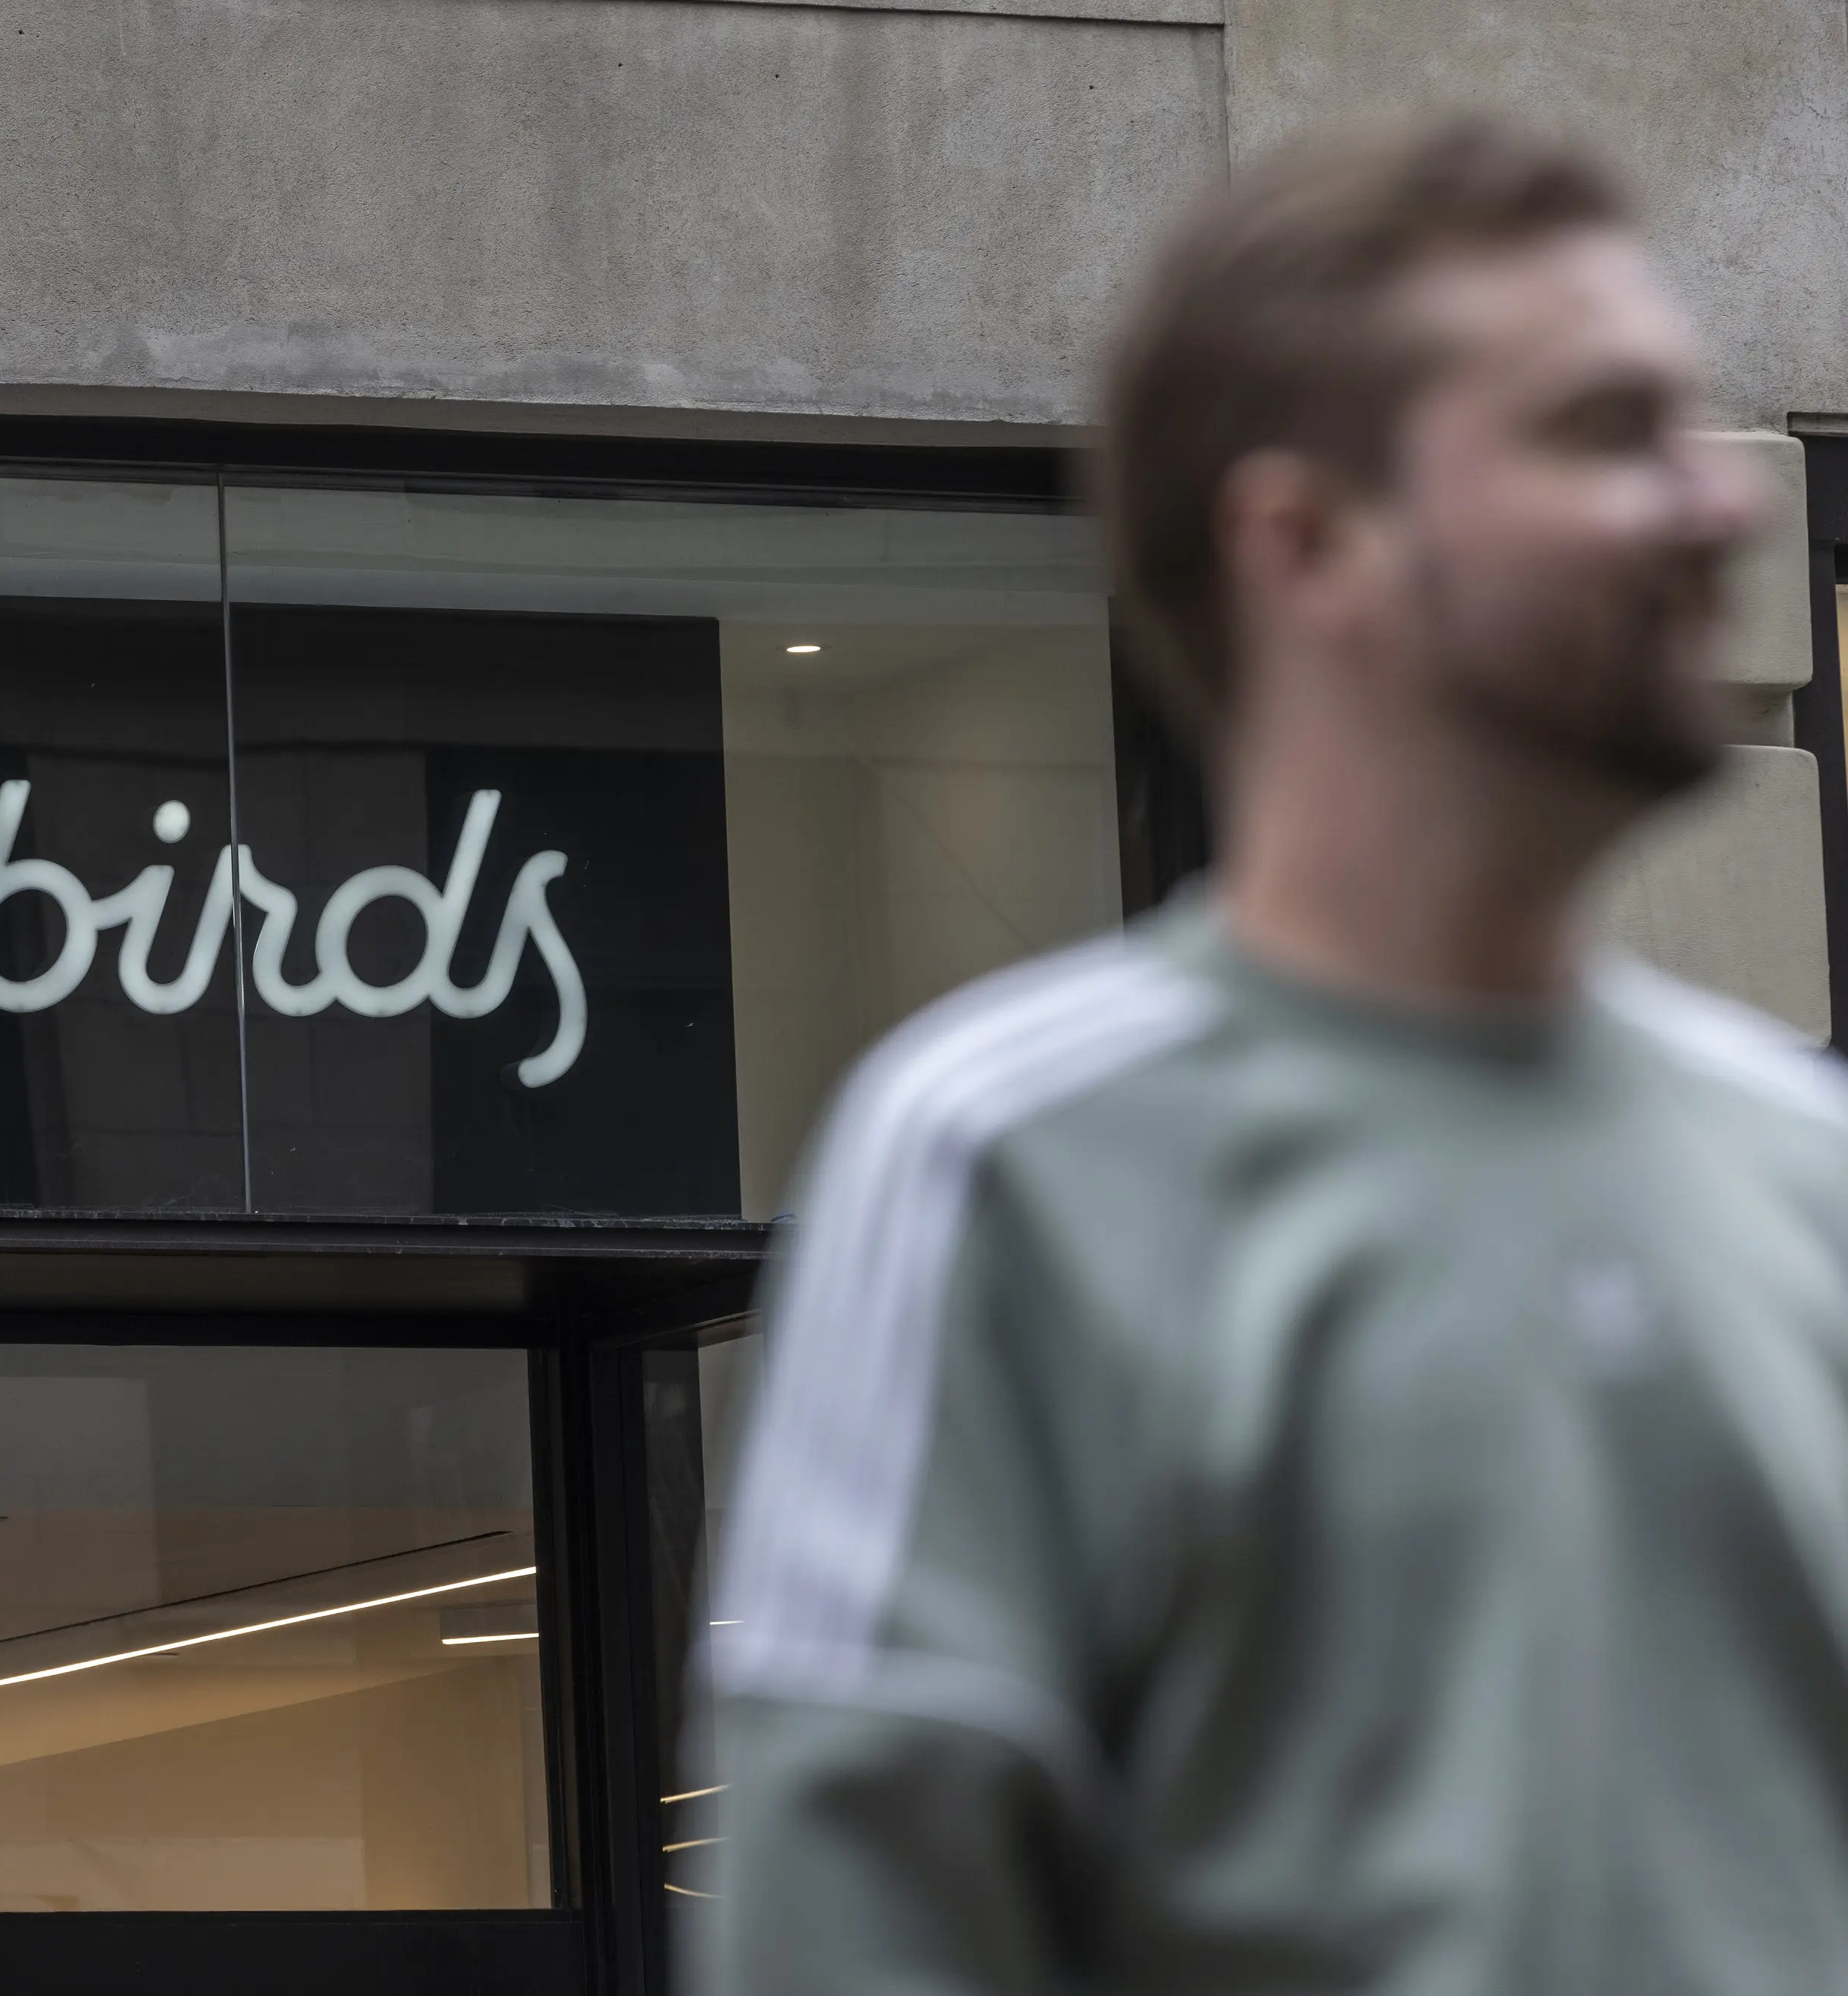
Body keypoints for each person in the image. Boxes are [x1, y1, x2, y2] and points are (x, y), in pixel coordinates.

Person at [694, 117, 1848, 1992]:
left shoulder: (1806, 1174)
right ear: (1304, 539)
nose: (1717, 503)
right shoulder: (1004, 1157)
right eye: (1600, 432)